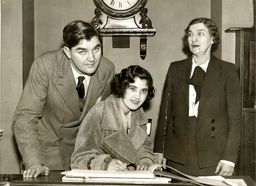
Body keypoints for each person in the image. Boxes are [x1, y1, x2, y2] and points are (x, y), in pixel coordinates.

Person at [13, 20, 115, 177]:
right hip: (47, 154)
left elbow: (102, 117)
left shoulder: (107, 69)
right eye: (82, 51)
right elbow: (25, 117)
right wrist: (34, 163)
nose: (92, 58)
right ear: (67, 52)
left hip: (84, 155)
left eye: (96, 49)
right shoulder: (45, 66)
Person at [154, 17, 241, 176]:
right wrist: (159, 150)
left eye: (200, 34)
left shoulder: (228, 71)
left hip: (213, 157)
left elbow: (235, 119)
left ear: (212, 39)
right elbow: (165, 113)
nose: (193, 39)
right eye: (190, 34)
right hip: (176, 157)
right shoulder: (176, 69)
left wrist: (229, 158)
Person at [71, 65, 156, 171]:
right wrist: (104, 164)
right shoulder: (99, 112)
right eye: (133, 89)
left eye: (143, 91)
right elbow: (78, 160)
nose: (138, 97)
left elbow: (144, 148)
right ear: (122, 87)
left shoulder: (139, 116)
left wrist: (145, 160)